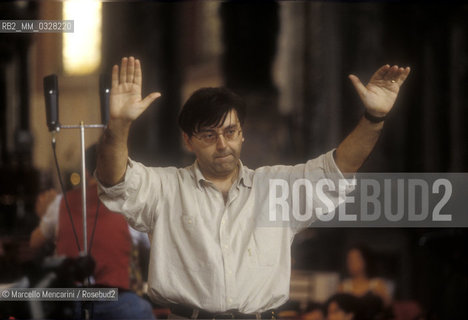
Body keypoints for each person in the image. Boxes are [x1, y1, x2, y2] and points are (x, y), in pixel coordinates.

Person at [96, 56, 410, 318]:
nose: (222, 144)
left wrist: (374, 117)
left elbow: (338, 169)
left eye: (230, 131)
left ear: (242, 133)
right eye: (208, 135)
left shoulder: (276, 188)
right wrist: (119, 124)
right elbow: (116, 181)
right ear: (188, 140)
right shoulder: (166, 188)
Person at [30, 145, 155, 320]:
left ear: (86, 170)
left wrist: (44, 217)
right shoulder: (129, 204)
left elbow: (34, 244)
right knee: (142, 310)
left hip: (68, 299)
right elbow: (155, 247)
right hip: (114, 299)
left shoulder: (60, 203)